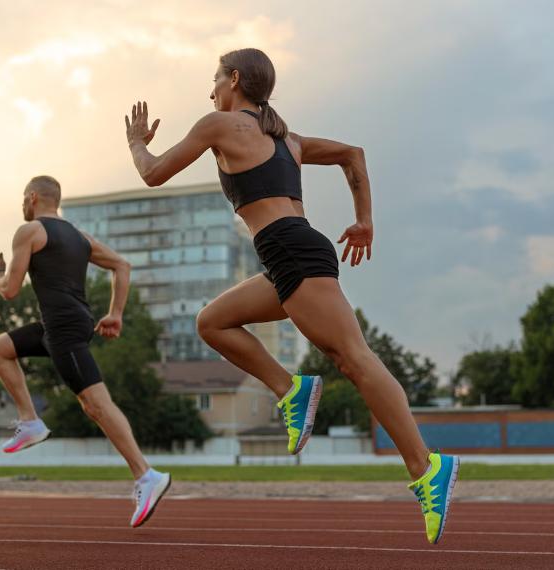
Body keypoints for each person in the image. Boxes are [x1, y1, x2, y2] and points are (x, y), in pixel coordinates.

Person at [123, 48, 459, 544]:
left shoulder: (219, 125)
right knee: (212, 322)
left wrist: (135, 142)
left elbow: (152, 173)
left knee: (354, 359)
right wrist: (364, 219)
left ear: (234, 80)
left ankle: (426, 467)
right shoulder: (287, 140)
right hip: (289, 255)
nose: (210, 91)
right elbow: (353, 154)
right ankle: (290, 389)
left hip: (291, 250)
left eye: (214, 81)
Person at [0, 175, 170, 528]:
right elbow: (122, 265)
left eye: (24, 198)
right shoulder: (78, 236)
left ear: (34, 197)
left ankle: (147, 475)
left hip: (64, 329)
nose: (22, 205)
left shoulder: (29, 232)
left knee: (96, 405)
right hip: (62, 325)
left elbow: (9, 289)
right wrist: (115, 313)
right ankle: (30, 421)